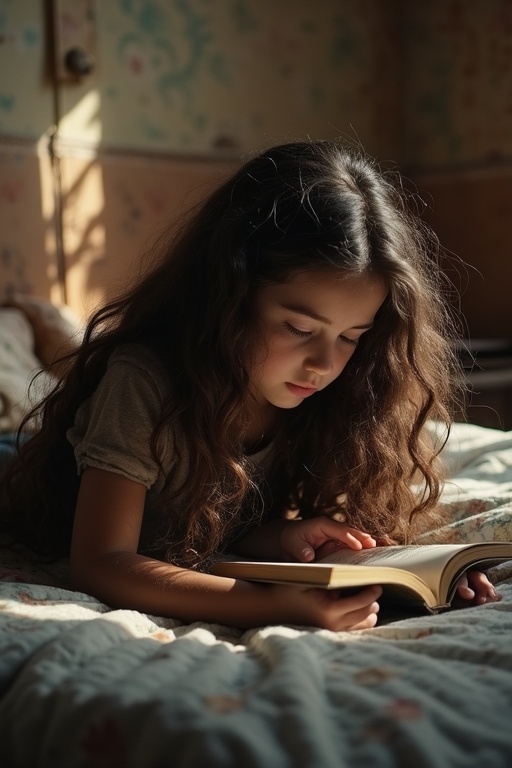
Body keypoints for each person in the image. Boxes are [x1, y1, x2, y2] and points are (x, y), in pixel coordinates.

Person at [0, 140, 499, 630]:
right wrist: (276, 606)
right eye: (299, 330)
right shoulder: (142, 381)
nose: (323, 365)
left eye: (351, 337)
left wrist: (291, 539)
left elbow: (210, 528)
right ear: (227, 297)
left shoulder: (315, 398)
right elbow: (102, 561)